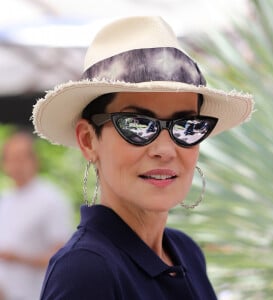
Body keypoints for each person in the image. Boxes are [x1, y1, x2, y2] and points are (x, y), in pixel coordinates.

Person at [32, 16, 254, 299]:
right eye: (138, 125)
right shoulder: (86, 269)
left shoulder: (185, 252)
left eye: (186, 127)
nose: (165, 149)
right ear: (88, 140)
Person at [0, 130, 73, 300]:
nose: (16, 165)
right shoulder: (6, 199)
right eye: (10, 159)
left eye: (21, 158)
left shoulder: (52, 199)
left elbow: (63, 257)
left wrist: (20, 258)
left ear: (34, 160)